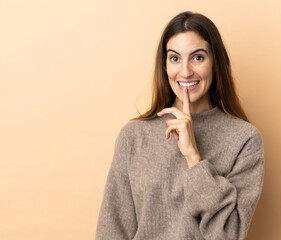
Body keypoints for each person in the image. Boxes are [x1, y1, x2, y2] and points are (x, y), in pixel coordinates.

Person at [95, 11, 264, 240]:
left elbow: (228, 234)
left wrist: (194, 158)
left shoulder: (244, 140)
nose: (185, 71)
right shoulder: (133, 136)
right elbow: (112, 231)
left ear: (215, 63)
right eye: (175, 58)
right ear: (164, 66)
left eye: (197, 57)